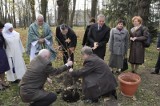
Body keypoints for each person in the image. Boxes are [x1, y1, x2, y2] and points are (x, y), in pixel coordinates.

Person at [0, 22, 10, 90]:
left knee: (3, 67)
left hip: (1, 51)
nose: (1, 29)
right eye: (0, 28)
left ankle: (2, 81)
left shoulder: (1, 34)